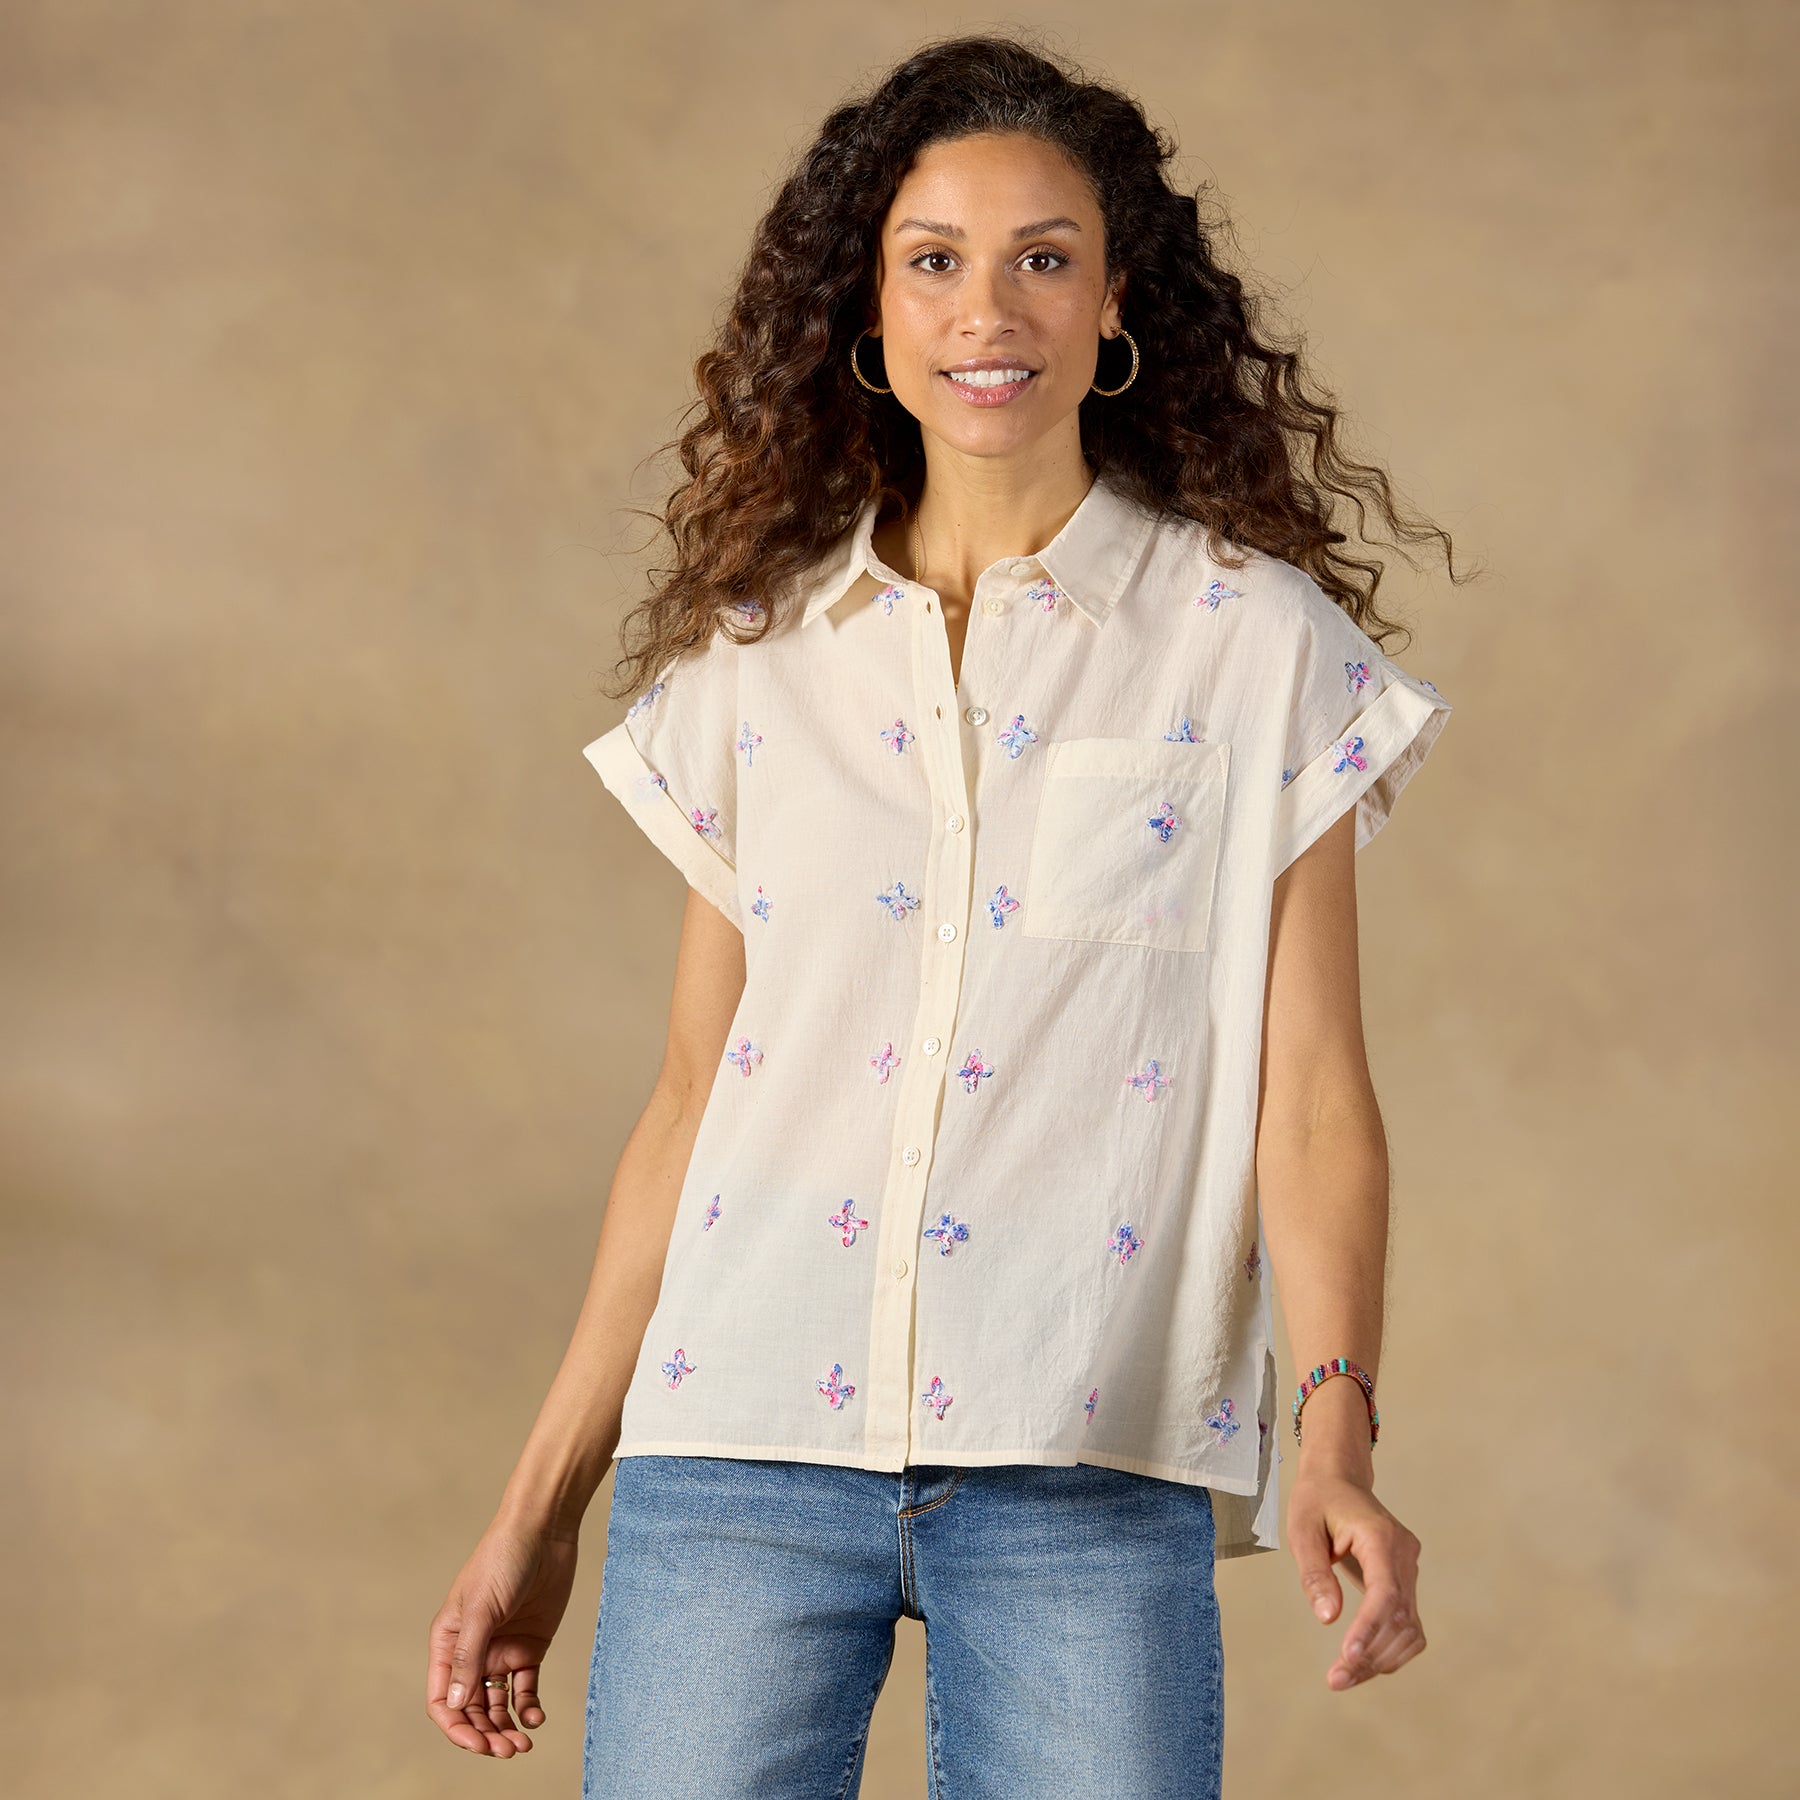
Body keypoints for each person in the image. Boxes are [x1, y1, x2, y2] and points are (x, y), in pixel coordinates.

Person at [426, 32, 1467, 1798]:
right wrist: (540, 1502)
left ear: (1116, 301)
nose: (989, 309)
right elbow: (692, 1103)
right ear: (872, 306)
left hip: (1087, 1460)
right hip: (735, 1445)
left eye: (1043, 257)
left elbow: (1308, 1098)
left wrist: (1335, 1436)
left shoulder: (1255, 646)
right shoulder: (756, 663)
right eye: (935, 260)